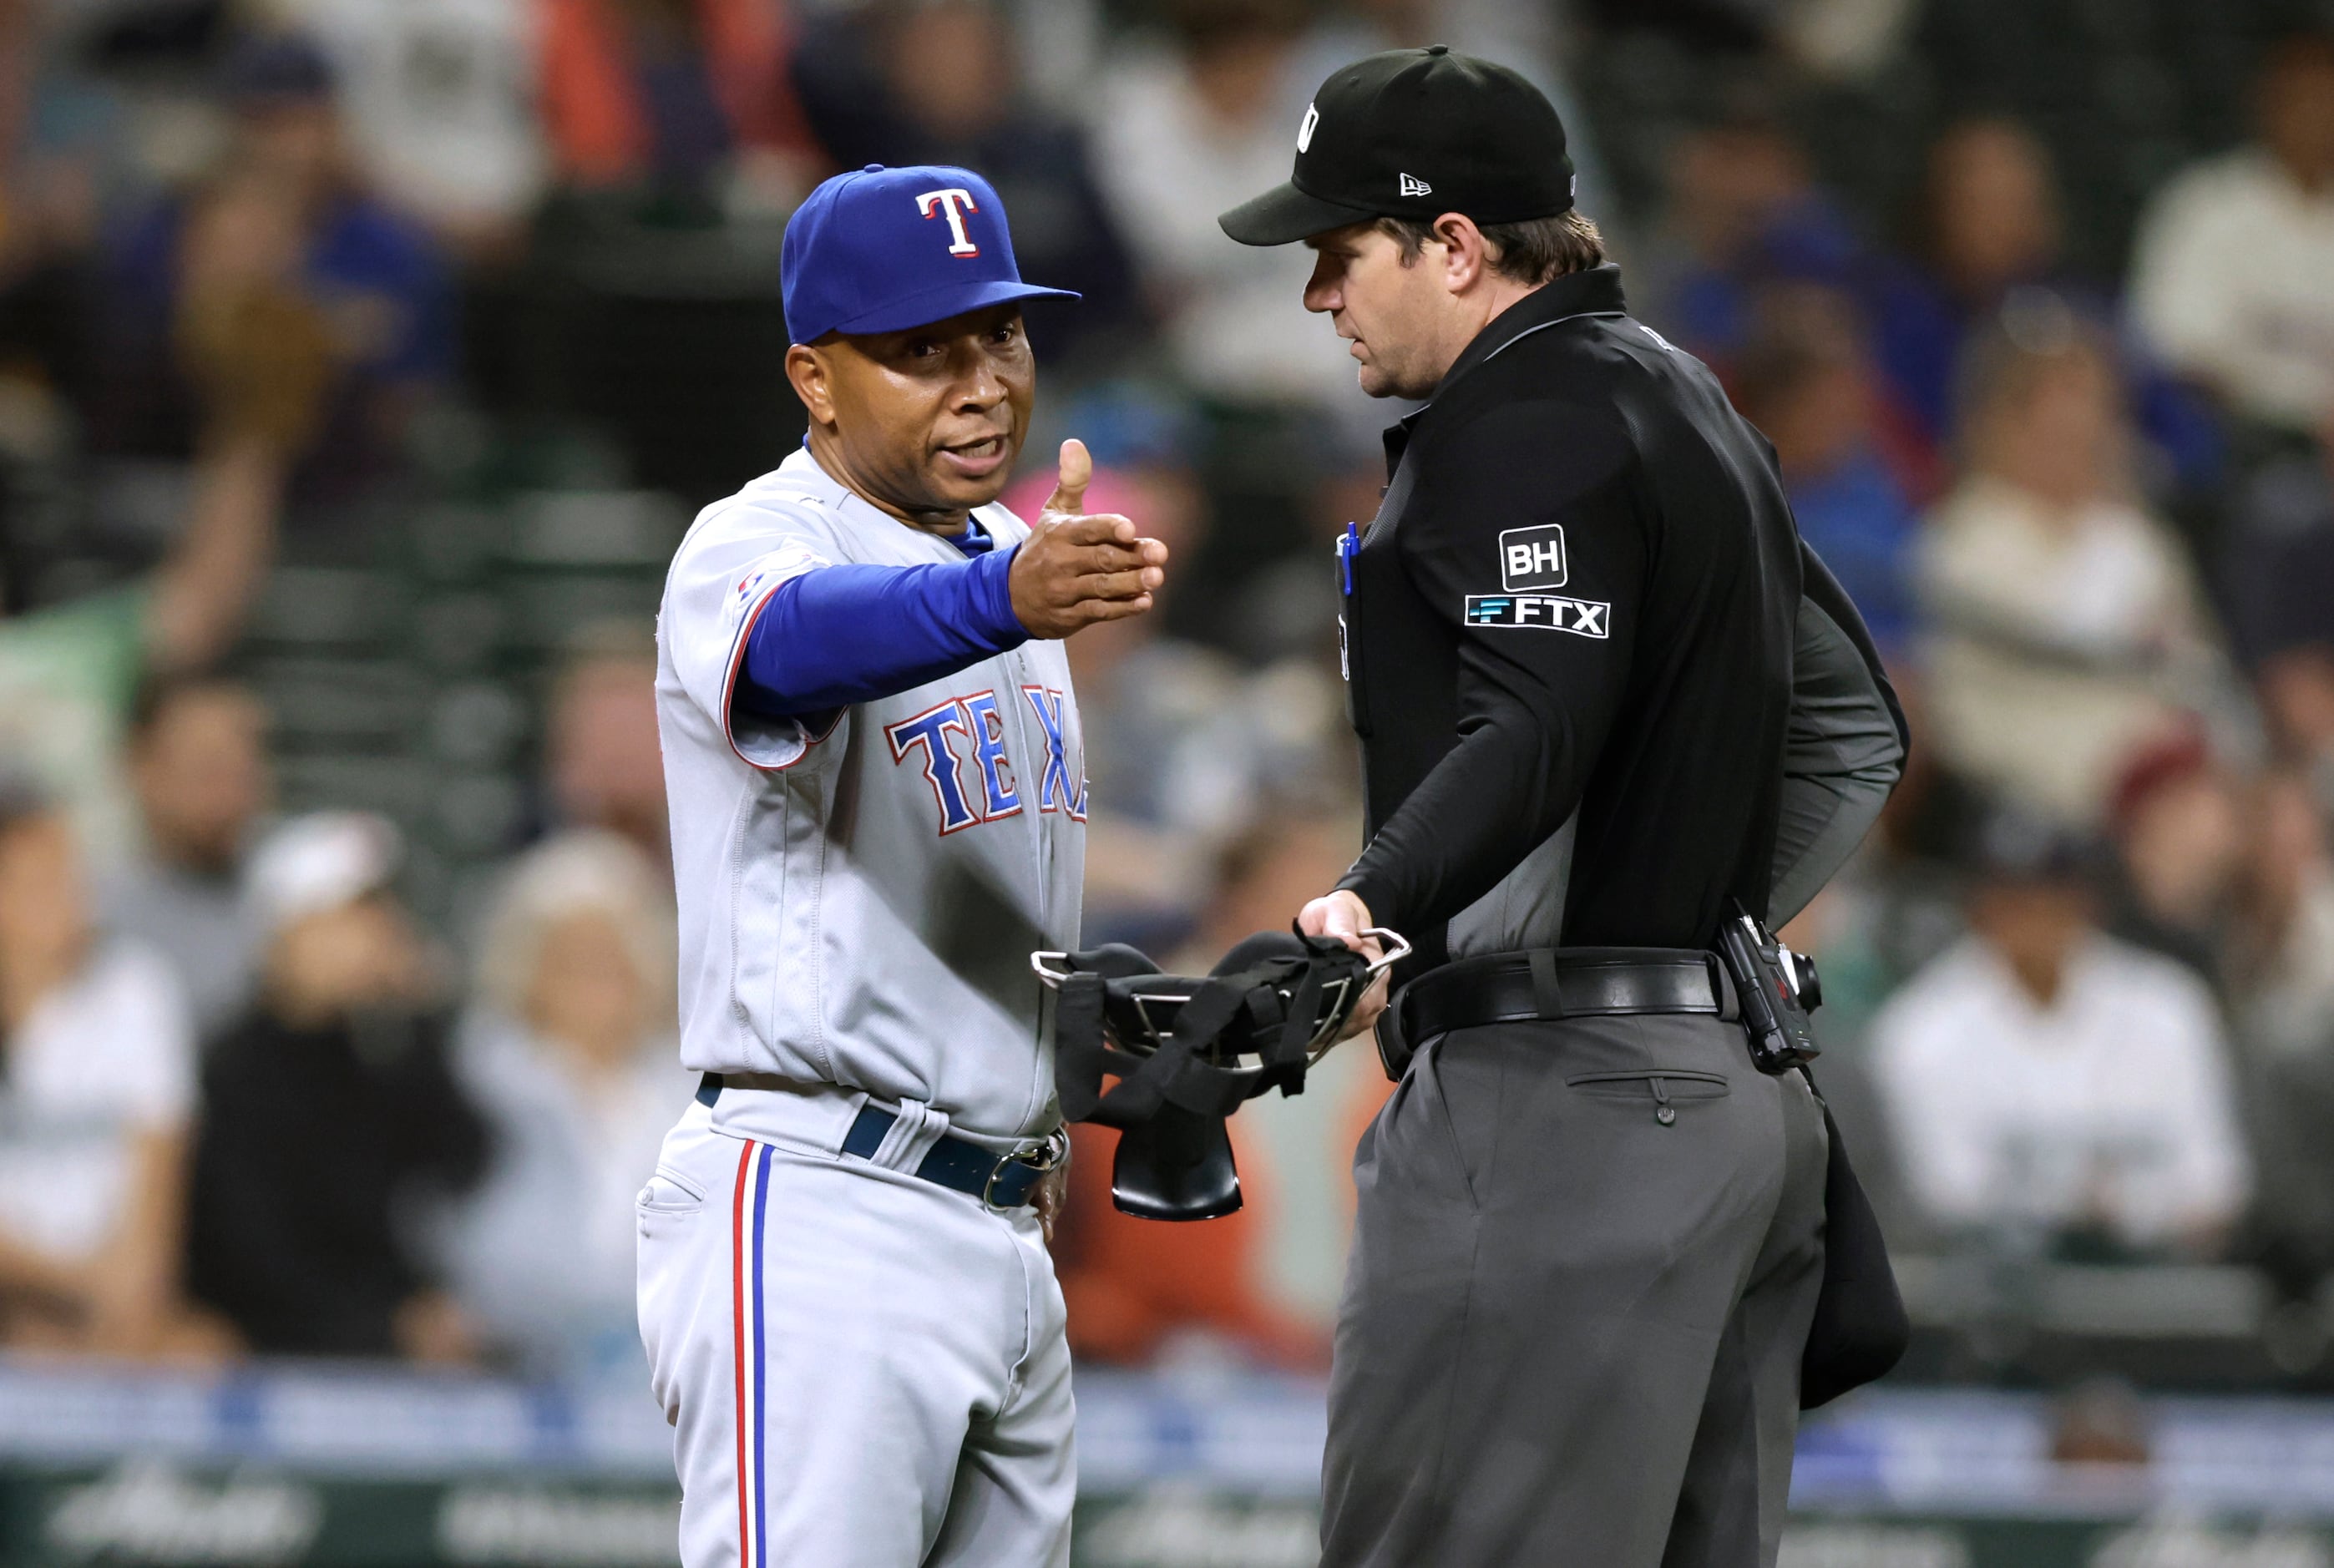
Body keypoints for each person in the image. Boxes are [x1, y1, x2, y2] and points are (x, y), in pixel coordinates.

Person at [1218, 48, 1906, 1567]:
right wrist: (1675, 919)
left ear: (1453, 246)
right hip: (1735, 1099)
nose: (1318, 295)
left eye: (1339, 254)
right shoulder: (1684, 398)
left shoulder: (1519, 417)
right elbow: (1857, 727)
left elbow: (1538, 716)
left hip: (1567, 1110)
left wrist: (1377, 907)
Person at [635, 164, 1169, 1568]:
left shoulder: (1008, 557)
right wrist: (1003, 595)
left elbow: (926, 895)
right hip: (823, 1205)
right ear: (814, 377)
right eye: (920, 350)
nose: (981, 380)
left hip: (1005, 1226)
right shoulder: (754, 542)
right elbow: (798, 643)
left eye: (998, 334)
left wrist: (1109, 1023)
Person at [1870, 812, 2250, 1259]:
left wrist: (2117, 1214)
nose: (2034, 917)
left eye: (2051, 896)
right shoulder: (1920, 1029)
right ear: (1979, 907)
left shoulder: (2168, 1006)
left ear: (2085, 900)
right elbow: (1943, 1201)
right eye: (2013, 898)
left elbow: (2216, 1185)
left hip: (2156, 1278)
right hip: (1989, 1296)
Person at [185, 812, 490, 1361]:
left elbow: (464, 1160)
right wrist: (391, 1327)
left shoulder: (376, 1053)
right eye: (355, 912)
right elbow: (250, 1260)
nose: (380, 931)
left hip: (372, 1346)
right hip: (266, 1358)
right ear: (289, 930)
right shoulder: (229, 1071)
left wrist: (420, 1014)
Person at [1916, 314, 2226, 826]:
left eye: (2093, 405)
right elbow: (2056, 639)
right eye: (2052, 405)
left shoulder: (2137, 538)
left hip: (2161, 761)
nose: (2079, 426)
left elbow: (2195, 662)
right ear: (2003, 422)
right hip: (2026, 769)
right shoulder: (1966, 533)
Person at [444, 831, 692, 1378]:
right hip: (507, 1362)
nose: (593, 983)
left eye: (610, 958)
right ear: (526, 971)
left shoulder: (690, 1093)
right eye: (570, 961)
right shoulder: (476, 1078)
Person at [0, 775, 210, 1358]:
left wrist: (116, 1302)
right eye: (40, 880)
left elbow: (159, 1185)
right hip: (24, 1308)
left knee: (200, 1358)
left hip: (111, 1314)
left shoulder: (136, 989)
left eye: (73, 874)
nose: (72, 896)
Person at [2129, 30, 2334, 438]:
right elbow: (2173, 350)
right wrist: (2288, 418)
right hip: (2236, 438)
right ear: (2266, 105)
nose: (2316, 117)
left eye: (2326, 102)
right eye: (2302, 100)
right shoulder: (2207, 205)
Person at [102, 674, 273, 1040]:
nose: (229, 793)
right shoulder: (90, 917)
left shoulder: (307, 887)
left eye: (242, 767)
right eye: (207, 768)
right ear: (140, 768)